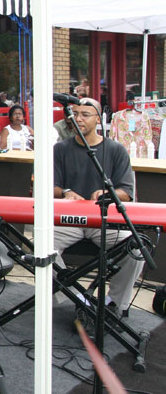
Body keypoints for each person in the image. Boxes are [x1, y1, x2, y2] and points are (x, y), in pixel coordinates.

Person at [53, 98, 143, 317]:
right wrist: (65, 192)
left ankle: (115, 302)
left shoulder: (115, 150)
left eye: (85, 114)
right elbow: (50, 186)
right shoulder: (60, 149)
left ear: (98, 118)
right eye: (74, 113)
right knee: (39, 247)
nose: (78, 118)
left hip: (103, 219)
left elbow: (126, 192)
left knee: (135, 251)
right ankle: (73, 295)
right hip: (68, 219)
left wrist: (108, 194)